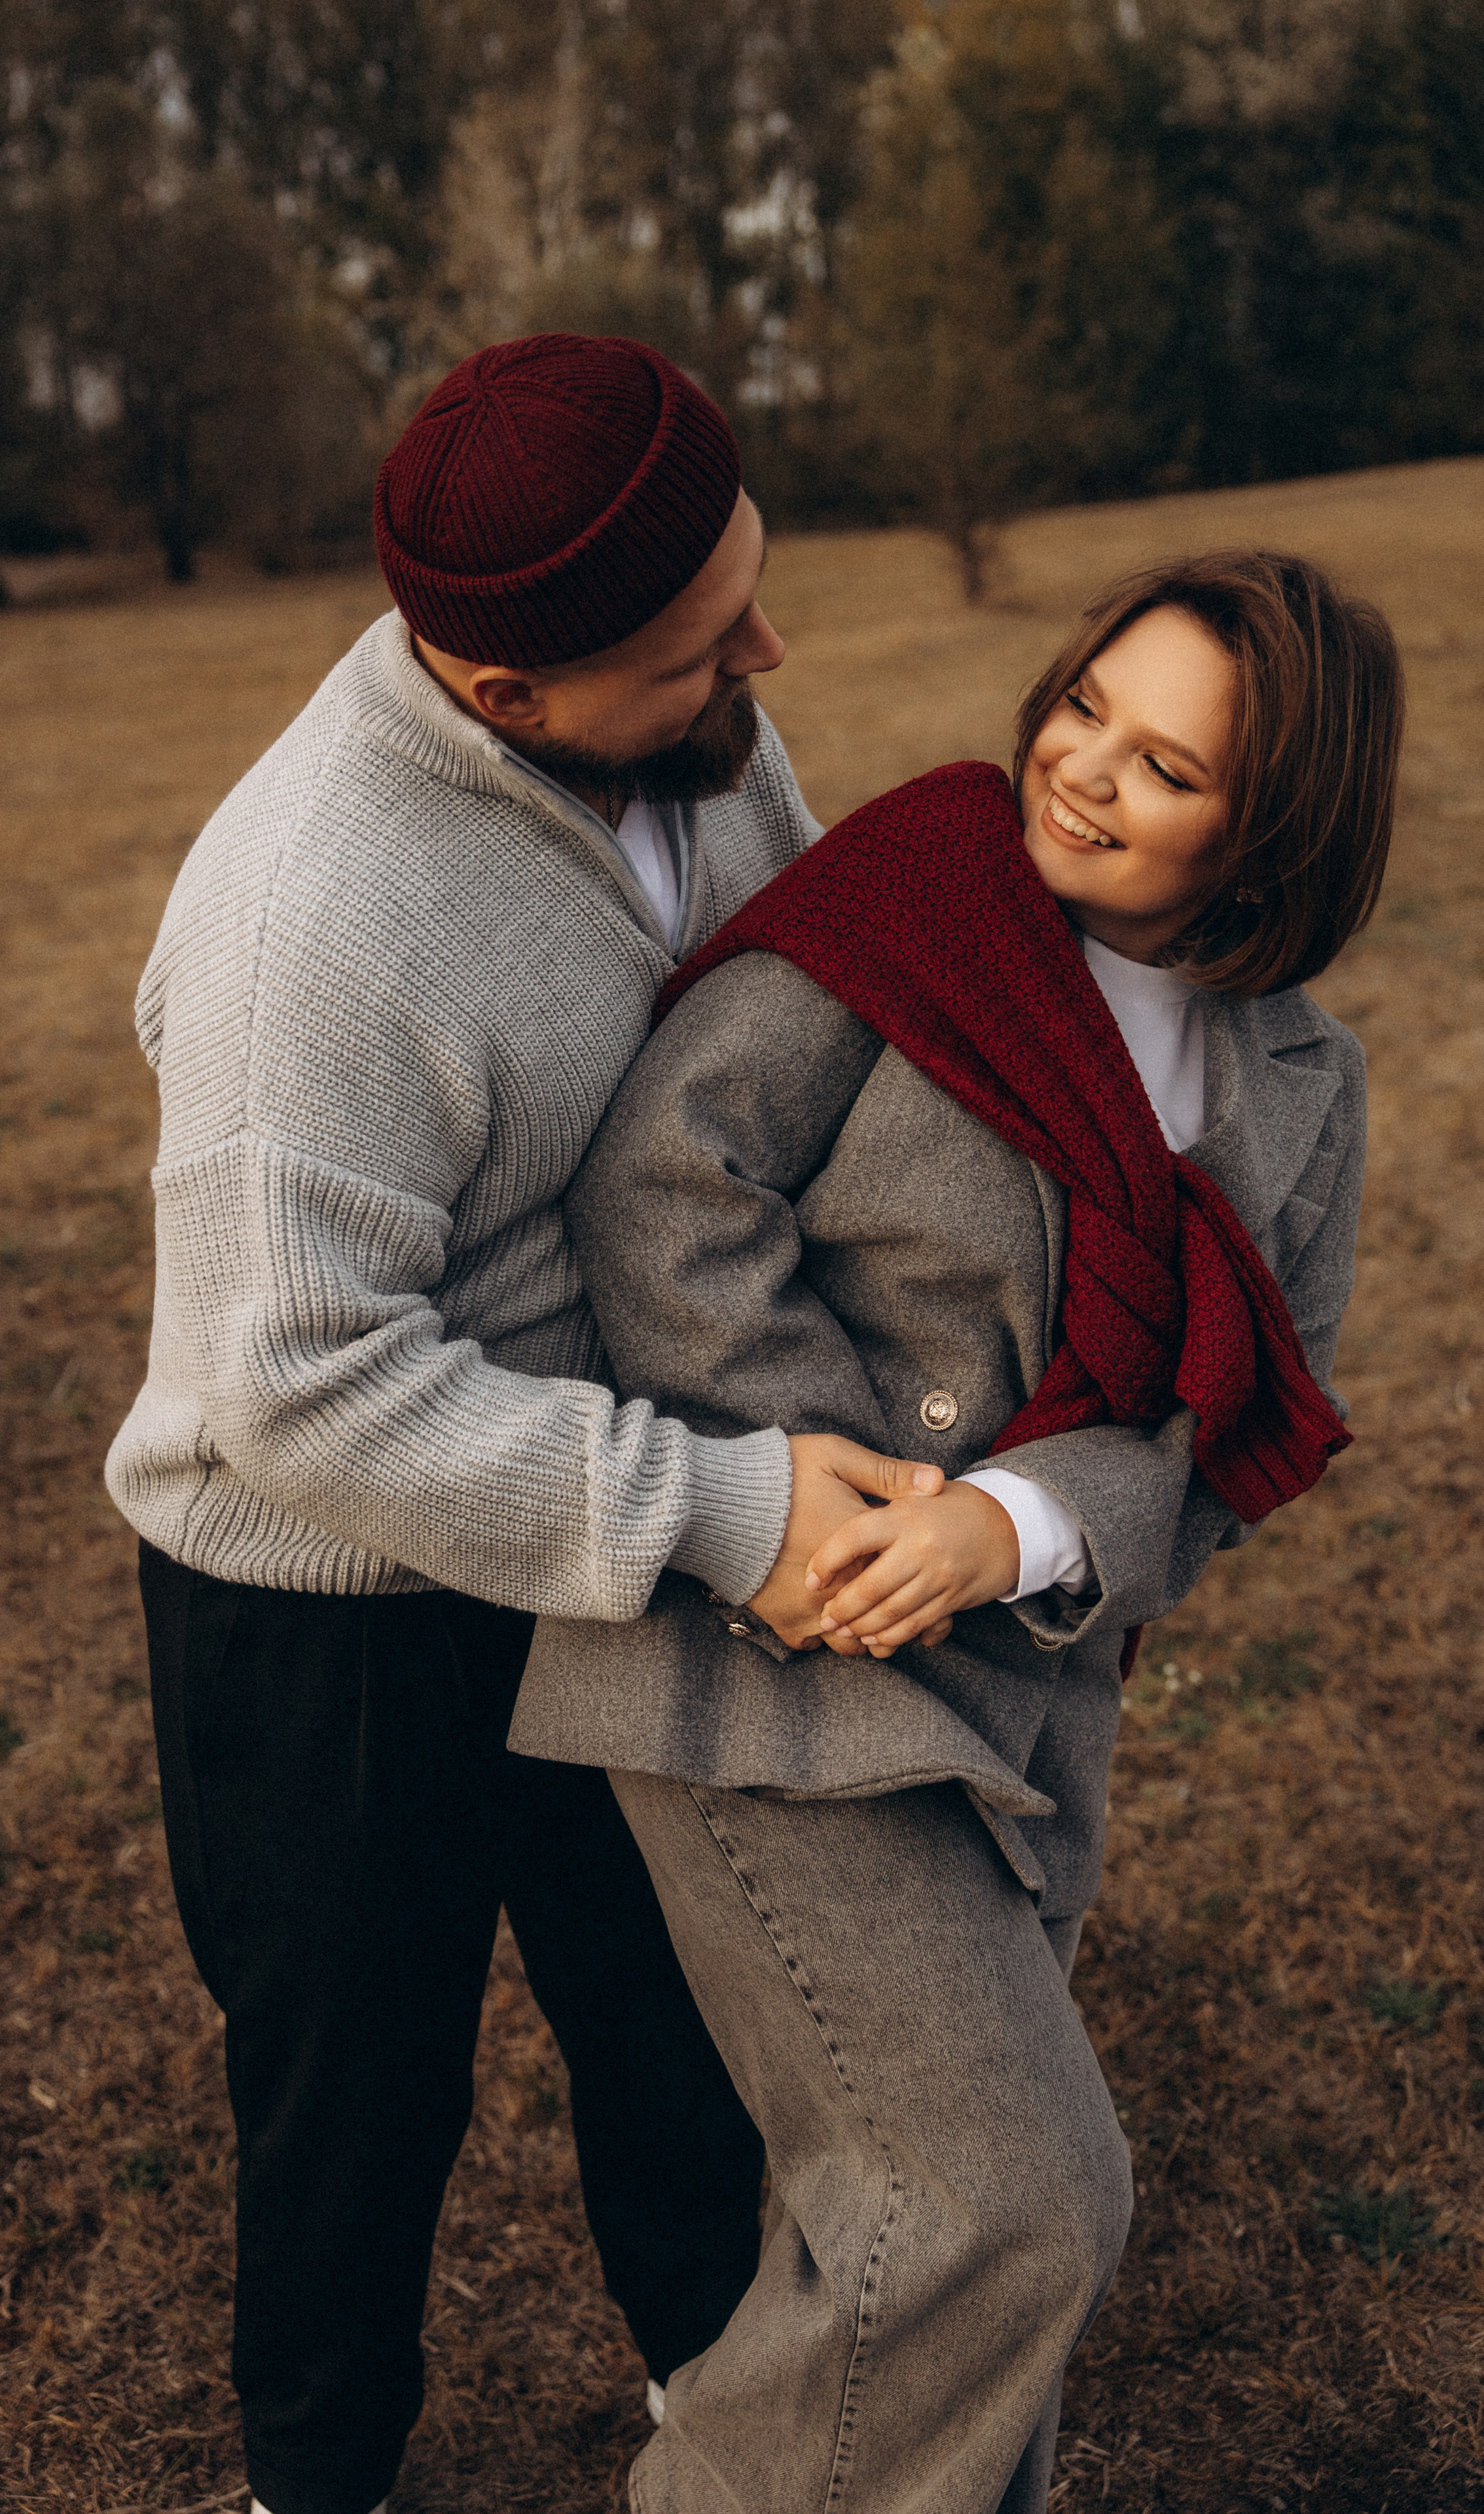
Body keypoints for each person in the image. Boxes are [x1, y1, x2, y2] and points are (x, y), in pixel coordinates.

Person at [103, 333, 922, 2514]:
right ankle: (322, 2475)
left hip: (610, 1540)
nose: (766, 653)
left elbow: (821, 1003)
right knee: (354, 2100)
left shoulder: (710, 730)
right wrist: (726, 1508)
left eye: (745, 582)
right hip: (328, 1608)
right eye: (696, 646)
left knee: (679, 2021)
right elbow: (297, 1386)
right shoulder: (314, 920)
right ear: (502, 696)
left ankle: (723, 2422)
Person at [511, 550, 1405, 2514]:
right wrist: (835, 1490)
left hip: (1028, 1699)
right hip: (769, 1656)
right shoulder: (918, 897)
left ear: (1273, 833)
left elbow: (1242, 1422)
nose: (1081, 769)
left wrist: (1013, 1526)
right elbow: (667, 1194)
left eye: (1167, 766)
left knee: (900, 2240)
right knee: (1013, 2210)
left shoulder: (1299, 1081)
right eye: (1087, 700)